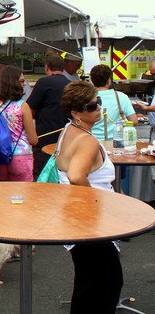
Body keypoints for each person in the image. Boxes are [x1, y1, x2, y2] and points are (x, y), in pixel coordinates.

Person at [54, 81, 123, 313]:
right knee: (107, 285)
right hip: (91, 223)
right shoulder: (87, 141)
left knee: (87, 283)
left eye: (99, 102)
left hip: (76, 219)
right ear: (75, 112)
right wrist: (94, 208)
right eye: (92, 105)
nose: (98, 108)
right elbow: (75, 176)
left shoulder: (68, 131)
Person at [0, 66, 38, 182]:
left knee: (0, 194)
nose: (25, 84)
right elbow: (33, 140)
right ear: (13, 82)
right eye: (22, 81)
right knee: (22, 196)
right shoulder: (22, 106)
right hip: (20, 156)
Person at [26, 53, 71, 180]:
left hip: (45, 138)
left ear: (47, 67)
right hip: (65, 139)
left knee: (43, 177)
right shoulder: (71, 84)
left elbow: (30, 107)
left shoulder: (44, 83)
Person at [90, 64, 138, 141]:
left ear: (91, 80)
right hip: (116, 144)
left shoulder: (86, 97)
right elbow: (134, 122)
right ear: (109, 80)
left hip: (91, 141)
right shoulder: (121, 97)